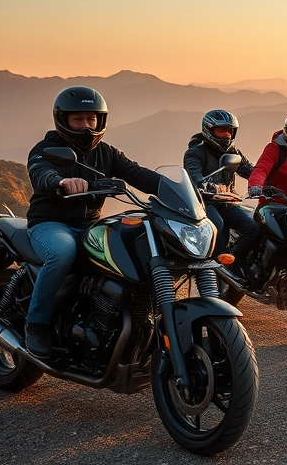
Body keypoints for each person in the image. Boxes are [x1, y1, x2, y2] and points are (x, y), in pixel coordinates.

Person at [25, 86, 162, 359]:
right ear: (63, 120)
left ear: (101, 120)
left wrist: (185, 189)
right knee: (63, 252)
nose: (86, 126)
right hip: (50, 224)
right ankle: (36, 324)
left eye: (91, 119)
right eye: (78, 119)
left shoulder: (107, 152)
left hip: (90, 225)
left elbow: (140, 174)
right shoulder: (46, 149)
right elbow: (40, 173)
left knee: (133, 250)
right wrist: (60, 181)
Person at [184, 109, 259, 279]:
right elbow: (194, 176)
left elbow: (250, 171)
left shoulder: (233, 152)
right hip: (203, 204)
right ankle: (212, 272)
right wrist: (205, 185)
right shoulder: (195, 153)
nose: (226, 135)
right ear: (209, 130)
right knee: (219, 227)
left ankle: (235, 262)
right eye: (221, 130)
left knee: (253, 228)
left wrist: (265, 180)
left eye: (229, 131)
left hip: (227, 202)